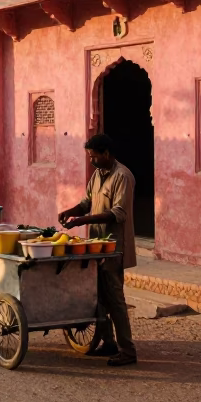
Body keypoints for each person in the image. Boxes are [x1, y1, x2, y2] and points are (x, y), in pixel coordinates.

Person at [59, 133, 138, 367]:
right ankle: (108, 342)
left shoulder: (122, 177)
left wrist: (81, 221)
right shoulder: (97, 175)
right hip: (95, 246)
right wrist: (70, 211)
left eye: (94, 156)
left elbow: (118, 214)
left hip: (114, 247)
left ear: (106, 153)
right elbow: (86, 202)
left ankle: (128, 350)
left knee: (115, 300)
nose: (91, 161)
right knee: (99, 296)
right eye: (89, 157)